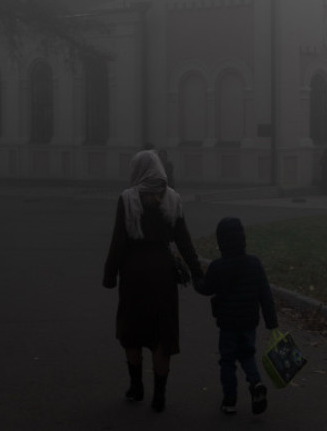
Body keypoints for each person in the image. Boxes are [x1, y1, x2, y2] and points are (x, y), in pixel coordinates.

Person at [103, 150, 202, 412]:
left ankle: (136, 387)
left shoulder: (128, 199)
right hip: (163, 275)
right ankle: (160, 395)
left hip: (134, 273)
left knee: (132, 332)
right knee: (162, 335)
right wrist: (196, 270)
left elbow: (118, 241)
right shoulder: (173, 199)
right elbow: (184, 240)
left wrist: (109, 274)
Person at [193, 216, 278, 415]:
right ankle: (256, 383)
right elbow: (265, 294)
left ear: (221, 241)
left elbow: (206, 288)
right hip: (249, 321)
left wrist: (196, 278)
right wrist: (271, 322)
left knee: (227, 360)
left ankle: (230, 399)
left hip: (228, 323)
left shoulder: (217, 266)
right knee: (247, 354)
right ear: (243, 238)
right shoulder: (254, 263)